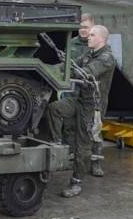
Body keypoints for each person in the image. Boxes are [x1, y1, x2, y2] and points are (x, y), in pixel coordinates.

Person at [47, 24, 116, 197]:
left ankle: (76, 183)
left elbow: (86, 73)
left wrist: (69, 71)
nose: (88, 37)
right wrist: (49, 70)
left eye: (92, 35)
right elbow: (71, 66)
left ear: (101, 38)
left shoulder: (106, 58)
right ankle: (57, 143)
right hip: (79, 100)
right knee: (55, 108)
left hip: (93, 107)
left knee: (83, 145)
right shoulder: (89, 54)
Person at [61, 14, 96, 150]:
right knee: (69, 121)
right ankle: (70, 151)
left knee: (89, 125)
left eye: (86, 27)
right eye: (80, 27)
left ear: (93, 26)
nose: (83, 30)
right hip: (72, 89)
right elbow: (65, 64)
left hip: (88, 92)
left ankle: (91, 154)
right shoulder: (72, 43)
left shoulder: (96, 44)